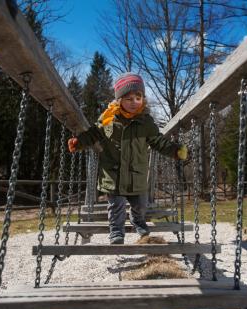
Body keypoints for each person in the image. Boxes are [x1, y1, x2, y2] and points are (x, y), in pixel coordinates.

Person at [68, 72, 187, 244]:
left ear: (143, 99)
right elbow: (93, 134)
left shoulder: (146, 123)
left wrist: (175, 151)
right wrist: (78, 142)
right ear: (119, 100)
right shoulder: (108, 119)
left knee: (140, 204)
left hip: (136, 175)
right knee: (116, 206)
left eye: (138, 98)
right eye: (128, 98)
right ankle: (116, 230)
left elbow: (158, 142)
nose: (133, 102)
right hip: (113, 174)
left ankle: (138, 221)